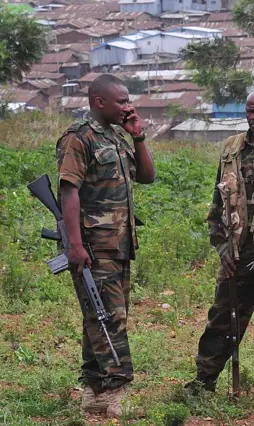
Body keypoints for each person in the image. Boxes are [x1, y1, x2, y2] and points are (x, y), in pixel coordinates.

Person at [56, 74, 155, 418]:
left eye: (128, 100)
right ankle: (115, 393)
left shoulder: (118, 135)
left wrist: (138, 136)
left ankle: (93, 391)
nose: (128, 106)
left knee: (97, 316)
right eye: (122, 101)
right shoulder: (78, 138)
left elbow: (147, 176)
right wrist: (75, 245)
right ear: (99, 102)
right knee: (109, 317)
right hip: (93, 246)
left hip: (120, 244)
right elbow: (68, 191)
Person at [184, 89, 254, 407]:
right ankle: (205, 379)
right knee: (223, 317)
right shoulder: (232, 148)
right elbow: (218, 204)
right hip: (239, 250)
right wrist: (222, 248)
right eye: (250, 111)